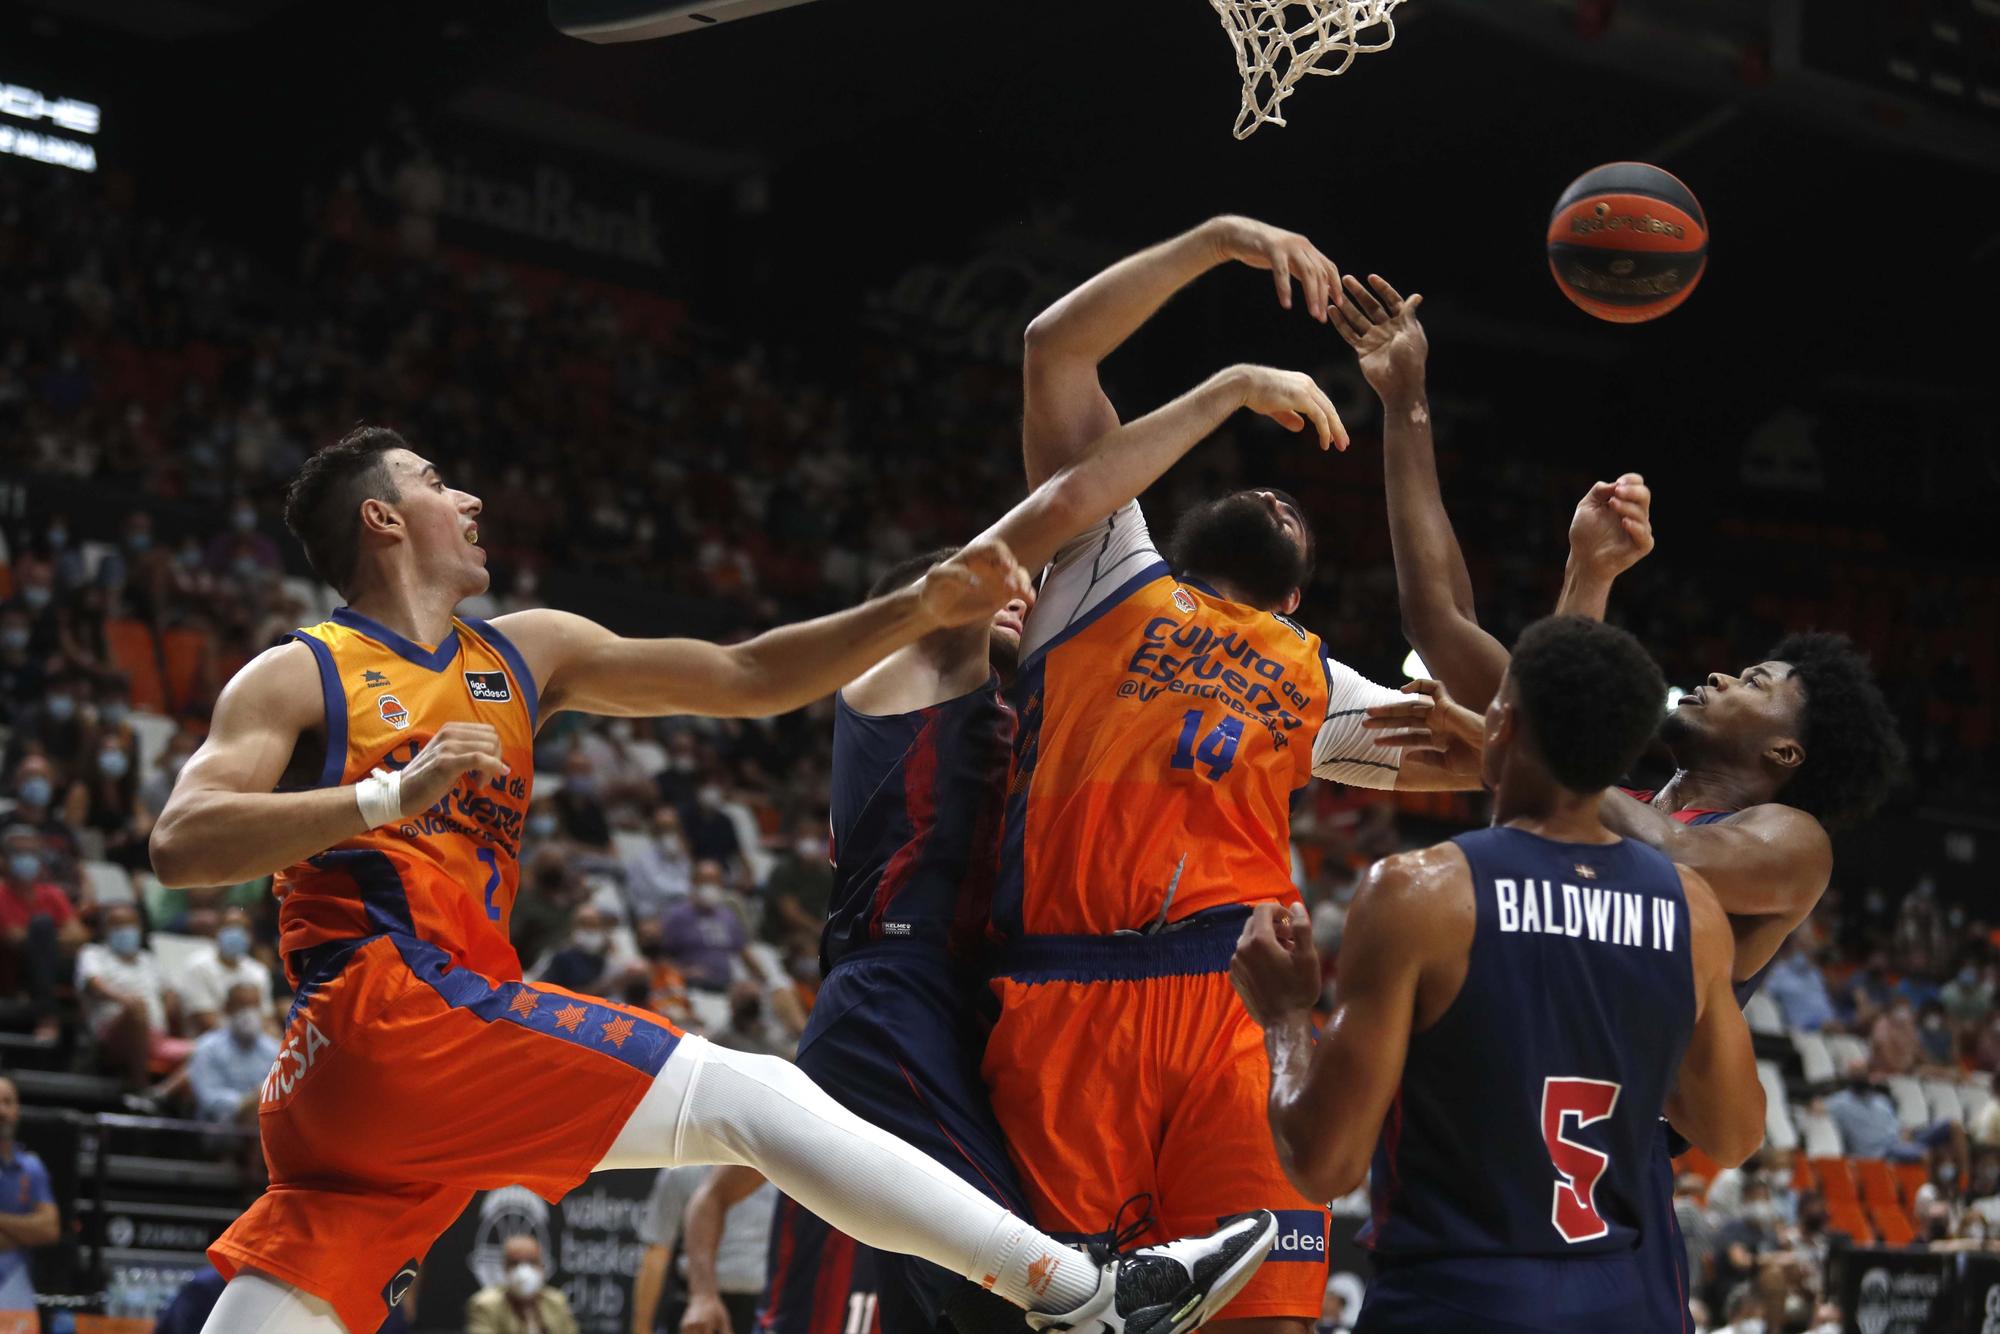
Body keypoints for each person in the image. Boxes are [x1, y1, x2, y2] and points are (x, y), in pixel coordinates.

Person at [153, 428, 1277, 1334]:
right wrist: (377, 802)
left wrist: (912, 607)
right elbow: (184, 838)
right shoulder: (298, 670)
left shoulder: (525, 652)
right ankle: (1083, 1291)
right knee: (748, 1095)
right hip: (391, 1012)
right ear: (383, 518)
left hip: (360, 1110)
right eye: (437, 482)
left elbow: (745, 674)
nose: (470, 499)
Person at [1341, 270, 1905, 1332]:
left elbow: (1644, 845)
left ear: (1785, 749)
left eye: (1761, 679)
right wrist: (1405, 407)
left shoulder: (1788, 840)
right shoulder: (1605, 794)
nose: (1731, 671)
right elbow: (1438, 614)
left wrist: (1521, 735)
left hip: (1609, 1167)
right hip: (1486, 1101)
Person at [987, 215, 1484, 1334]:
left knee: (1265, 1318)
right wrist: (1216, 241)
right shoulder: (1101, 567)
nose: (1281, 496)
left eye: (1301, 511)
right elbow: (1053, 350)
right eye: (1263, 491)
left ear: (1299, 594)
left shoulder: (1314, 678)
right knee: (1058, 1316)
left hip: (1234, 1001)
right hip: (1064, 995)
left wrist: (1471, 717)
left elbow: (1502, 749)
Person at [1230, 617, 1765, 1333]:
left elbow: (1323, 1165)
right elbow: (1732, 1136)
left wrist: (1289, 1018)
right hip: (1623, 1303)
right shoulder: (1693, 913)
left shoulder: (1419, 893)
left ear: (1500, 725)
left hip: (1460, 1296)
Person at [677, 1164, 883, 1334]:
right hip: (792, 1322)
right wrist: (703, 1295)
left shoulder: (911, 1132)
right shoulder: (807, 1129)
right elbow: (711, 1196)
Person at [630, 1164, 777, 1334]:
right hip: (696, 1305)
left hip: (763, 1308)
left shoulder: (777, 1169)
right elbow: (657, 1252)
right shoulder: (683, 1171)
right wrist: (641, 1328)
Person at [76, 901, 181, 1089]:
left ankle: (162, 1094)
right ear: (105, 929)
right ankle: (140, 1085)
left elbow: (170, 992)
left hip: (155, 1038)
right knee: (137, 1009)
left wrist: (163, 1012)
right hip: (113, 1036)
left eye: (130, 925)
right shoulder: (93, 954)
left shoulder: (148, 960)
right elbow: (93, 985)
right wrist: (127, 1001)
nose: (125, 931)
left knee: (207, 1048)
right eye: (117, 926)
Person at [0, 823, 83, 1040]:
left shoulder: (52, 893)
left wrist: (43, 941)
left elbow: (78, 936)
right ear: (4, 859)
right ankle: (47, 1014)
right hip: (11, 968)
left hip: (51, 967)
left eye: (32, 854)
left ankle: (46, 1010)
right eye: (19, 853)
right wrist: (48, 937)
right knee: (42, 925)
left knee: (43, 930)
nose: (27, 859)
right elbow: (12, 939)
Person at [0, 1077, 57, 1316]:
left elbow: (49, 1230)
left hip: (16, 1288)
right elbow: (36, 1229)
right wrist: (24, 1232)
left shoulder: (32, 1167)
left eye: (7, 1102)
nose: (1, 1110)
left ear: (17, 1110)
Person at [189, 983, 282, 1126]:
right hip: (219, 1128)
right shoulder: (207, 1048)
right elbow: (209, 1100)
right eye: (242, 1006)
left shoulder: (273, 1049)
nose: (248, 1013)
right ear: (227, 1008)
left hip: (265, 1122)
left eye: (254, 1007)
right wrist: (249, 1102)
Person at [178, 906, 275, 1034]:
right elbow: (205, 1019)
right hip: (210, 1040)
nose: (235, 933)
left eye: (242, 928)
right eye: (229, 927)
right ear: (216, 931)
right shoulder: (198, 966)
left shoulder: (258, 971)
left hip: (252, 1040)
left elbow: (266, 1018)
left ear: (251, 936)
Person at [465, 1235, 577, 1334]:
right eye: (515, 1263)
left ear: (542, 1266)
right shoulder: (485, 1305)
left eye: (531, 1262)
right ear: (505, 1268)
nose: (524, 1270)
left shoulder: (557, 1302)